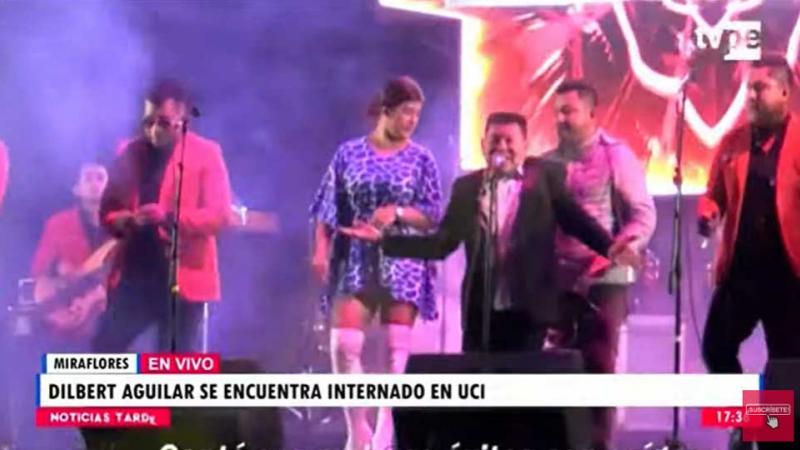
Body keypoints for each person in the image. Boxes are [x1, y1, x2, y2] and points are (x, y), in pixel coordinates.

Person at [341, 111, 639, 355]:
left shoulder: (545, 178)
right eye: (495, 140)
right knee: (483, 396)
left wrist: (610, 247)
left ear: (525, 146)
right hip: (481, 312)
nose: (502, 147)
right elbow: (441, 244)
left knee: (519, 397)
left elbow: (575, 220)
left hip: (530, 309)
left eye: (510, 140)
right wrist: (385, 241)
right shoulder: (468, 188)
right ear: (483, 144)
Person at [309, 75, 442, 450]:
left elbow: (433, 214)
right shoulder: (349, 153)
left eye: (417, 114)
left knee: (394, 350)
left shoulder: (421, 158)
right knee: (344, 344)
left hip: (402, 256)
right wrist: (320, 249)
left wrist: (397, 212)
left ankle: (385, 433)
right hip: (355, 255)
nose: (412, 121)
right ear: (386, 110)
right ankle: (358, 429)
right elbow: (326, 206)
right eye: (406, 112)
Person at [545, 80, 656, 450]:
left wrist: (618, 250)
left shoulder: (616, 155)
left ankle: (598, 445)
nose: (561, 119)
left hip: (604, 279)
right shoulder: (547, 163)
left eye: (569, 111)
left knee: (599, 367)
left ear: (592, 114)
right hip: (558, 281)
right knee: (557, 369)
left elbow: (643, 215)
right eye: (557, 112)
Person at [698, 55, 800, 450]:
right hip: (741, 271)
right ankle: (751, 422)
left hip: (788, 274)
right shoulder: (732, 142)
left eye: (760, 88)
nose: (751, 96)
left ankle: (771, 437)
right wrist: (708, 212)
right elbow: (713, 195)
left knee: (785, 365)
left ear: (785, 92)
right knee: (716, 349)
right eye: (748, 89)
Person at [93, 79, 233, 353]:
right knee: (104, 349)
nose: (153, 130)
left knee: (172, 365)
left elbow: (219, 216)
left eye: (163, 122)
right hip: (135, 274)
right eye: (147, 123)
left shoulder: (206, 153)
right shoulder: (130, 152)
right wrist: (128, 220)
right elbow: (107, 211)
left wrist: (168, 216)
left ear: (182, 115)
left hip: (183, 277)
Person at [31, 162, 111, 343]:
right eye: (88, 178)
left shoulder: (121, 225)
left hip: (110, 321)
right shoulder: (57, 224)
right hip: (67, 323)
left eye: (100, 178)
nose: (95, 184)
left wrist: (94, 297)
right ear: (76, 188)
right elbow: (39, 270)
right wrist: (58, 267)